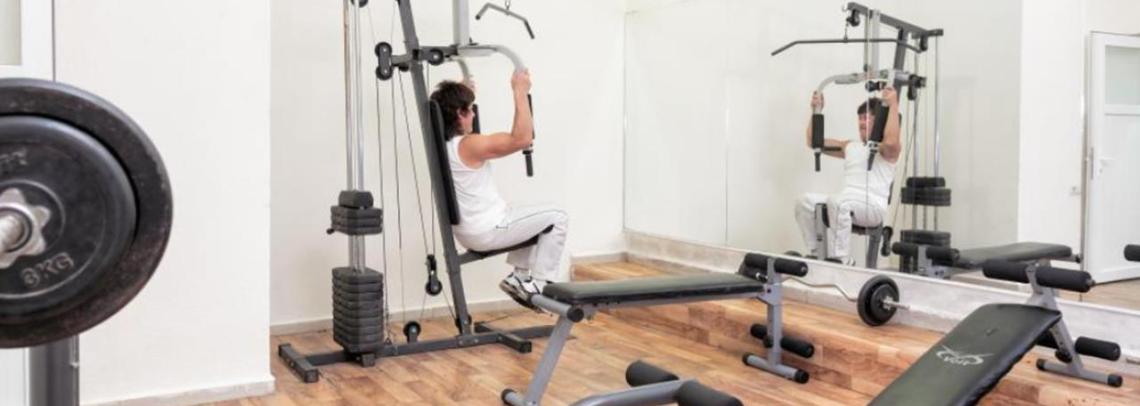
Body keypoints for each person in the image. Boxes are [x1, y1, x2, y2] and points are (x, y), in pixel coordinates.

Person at [429, 70, 569, 309]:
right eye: (470, 110)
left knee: (526, 216)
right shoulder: (469, 145)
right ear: (459, 114)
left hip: (470, 230)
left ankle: (519, 277)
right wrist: (520, 92)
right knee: (557, 217)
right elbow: (522, 139)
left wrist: (460, 93)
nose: (474, 114)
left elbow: (447, 111)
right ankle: (540, 284)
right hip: (487, 229)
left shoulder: (445, 144)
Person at [794, 87, 901, 265]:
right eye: (860, 118)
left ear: (880, 121)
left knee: (838, 202)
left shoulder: (887, 151)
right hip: (846, 201)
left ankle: (842, 260)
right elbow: (814, 142)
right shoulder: (850, 146)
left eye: (867, 118)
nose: (862, 123)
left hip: (872, 207)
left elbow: (891, 142)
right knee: (803, 202)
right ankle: (816, 254)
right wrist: (816, 110)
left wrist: (893, 104)